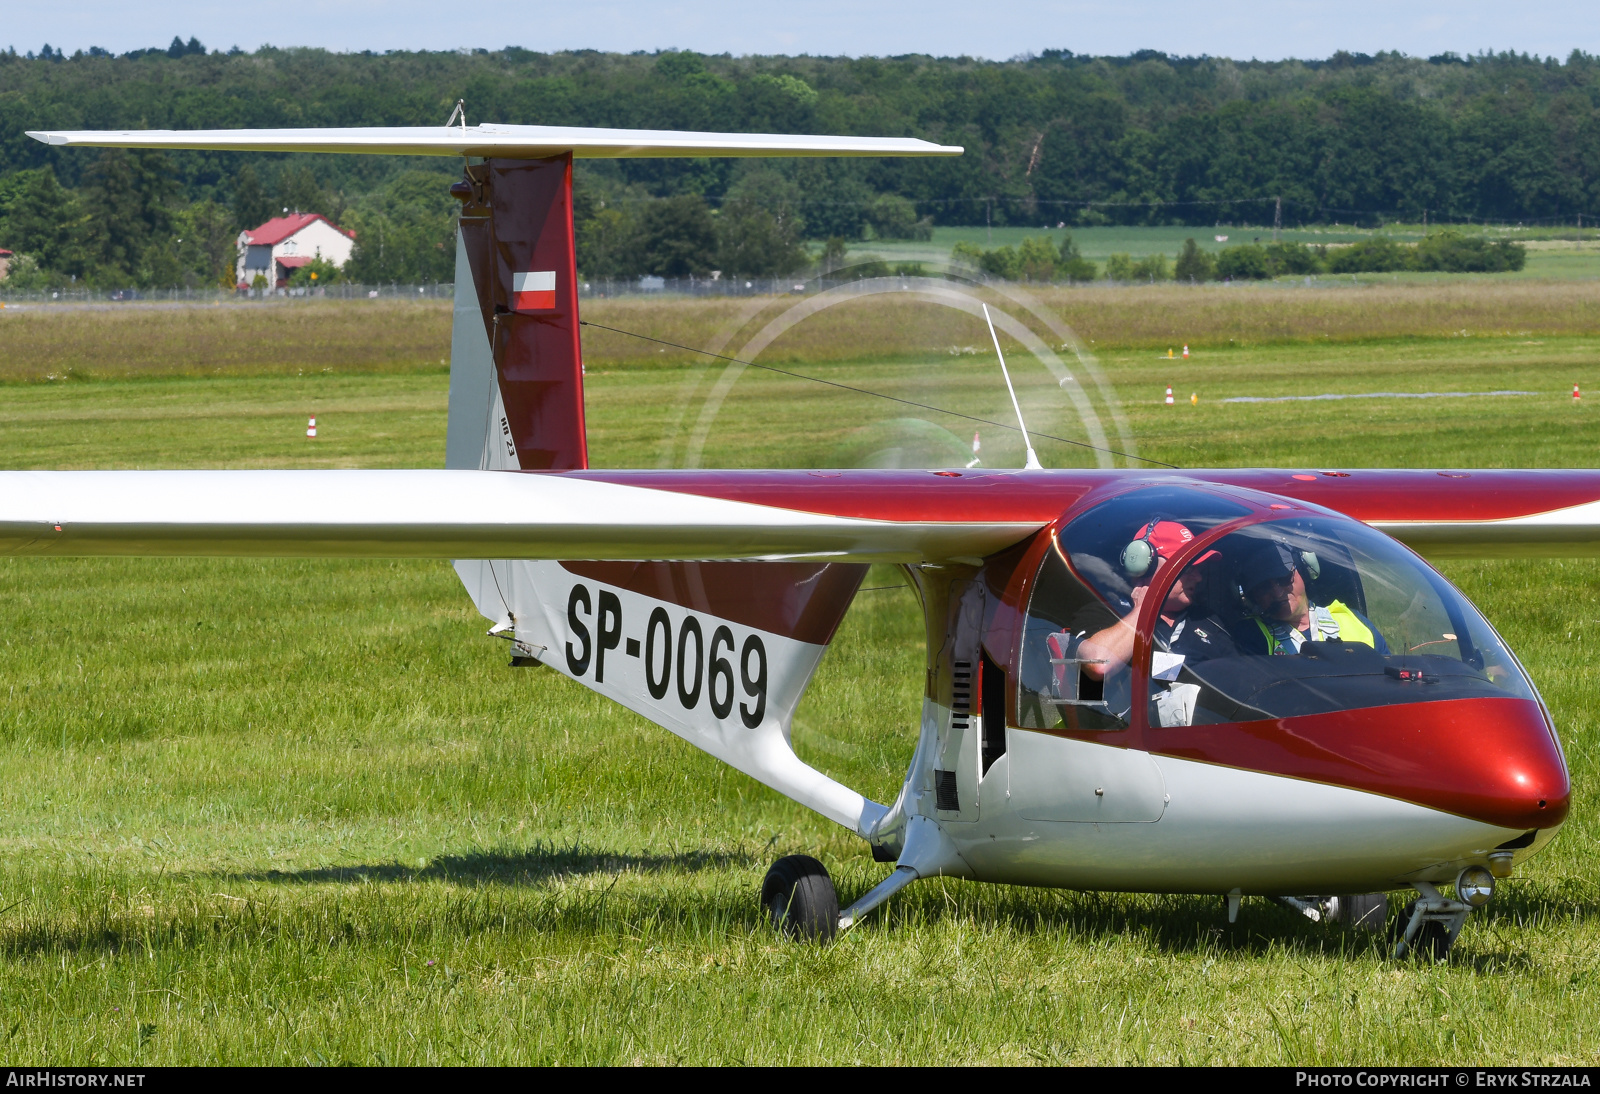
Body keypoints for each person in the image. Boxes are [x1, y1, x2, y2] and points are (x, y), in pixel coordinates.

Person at [1046, 519, 1236, 723]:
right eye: (1188, 567)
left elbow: (1238, 680)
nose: (1198, 578)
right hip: (1131, 745)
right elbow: (1098, 665)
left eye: (1200, 569)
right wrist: (1142, 611)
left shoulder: (1210, 623)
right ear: (1145, 566)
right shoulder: (1106, 614)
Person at [1233, 539, 1389, 656]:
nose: (1278, 593)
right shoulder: (1249, 637)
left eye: (1284, 578)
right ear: (1254, 596)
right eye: (1264, 587)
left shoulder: (1355, 622)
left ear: (1304, 572)